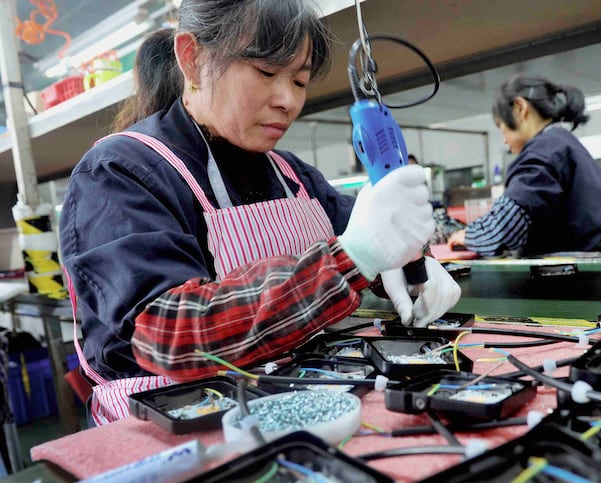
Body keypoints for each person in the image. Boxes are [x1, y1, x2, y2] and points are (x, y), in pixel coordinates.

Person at [59, 0, 460, 425]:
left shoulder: (292, 174)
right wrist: (352, 258)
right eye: (267, 73)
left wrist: (406, 263)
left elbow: (361, 236)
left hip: (297, 409)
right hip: (180, 433)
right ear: (192, 60)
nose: (288, 100)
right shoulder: (120, 173)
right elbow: (168, 334)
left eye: (300, 81)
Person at [447, 74, 601, 256]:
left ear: (520, 108)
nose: (504, 140)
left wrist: (467, 235)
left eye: (500, 126)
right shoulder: (565, 144)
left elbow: (504, 228)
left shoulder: (544, 149)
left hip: (566, 275)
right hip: (589, 270)